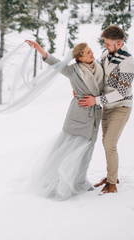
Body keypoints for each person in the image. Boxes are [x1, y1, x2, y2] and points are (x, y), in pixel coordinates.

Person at [25, 40, 103, 200]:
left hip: (93, 115)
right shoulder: (73, 71)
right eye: (88, 52)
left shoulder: (99, 67)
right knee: (68, 149)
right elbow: (56, 63)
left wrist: (97, 100)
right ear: (80, 58)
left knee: (87, 152)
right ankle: (58, 181)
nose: (92, 53)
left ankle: (80, 181)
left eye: (91, 50)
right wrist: (40, 50)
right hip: (77, 115)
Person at [78, 25, 134, 193]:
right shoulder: (106, 55)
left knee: (110, 144)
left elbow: (121, 92)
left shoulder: (128, 63)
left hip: (121, 106)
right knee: (106, 143)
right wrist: (81, 88)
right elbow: (96, 73)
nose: (105, 46)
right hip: (107, 107)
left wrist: (95, 100)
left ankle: (112, 183)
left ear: (119, 43)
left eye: (108, 43)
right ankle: (113, 175)